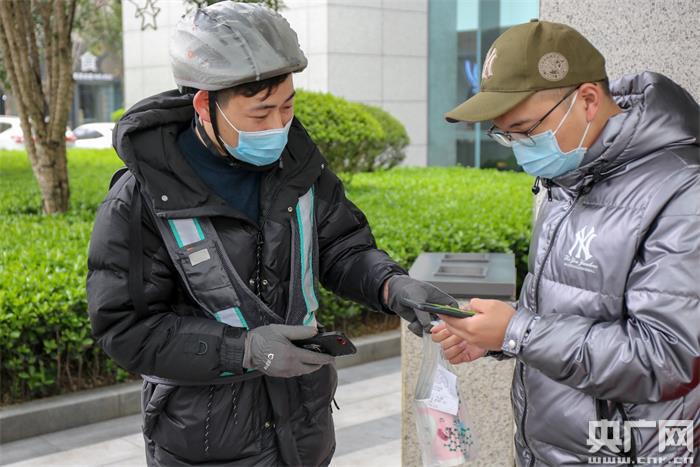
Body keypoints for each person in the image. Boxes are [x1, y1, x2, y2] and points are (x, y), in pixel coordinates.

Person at [86, 3, 454, 466]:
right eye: (260, 115)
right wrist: (244, 350)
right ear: (205, 104)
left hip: (303, 429)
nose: (279, 127)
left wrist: (390, 284)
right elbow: (126, 328)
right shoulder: (142, 199)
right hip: (205, 445)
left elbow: (341, 245)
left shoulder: (298, 168)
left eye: (288, 106)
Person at [432, 19, 699, 466]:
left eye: (525, 129)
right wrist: (499, 337)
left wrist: (517, 332)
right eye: (506, 136)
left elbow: (669, 357)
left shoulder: (683, 190)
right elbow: (570, 310)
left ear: (588, 101)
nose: (519, 148)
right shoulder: (567, 175)